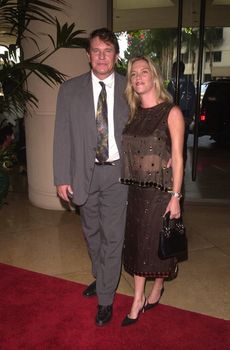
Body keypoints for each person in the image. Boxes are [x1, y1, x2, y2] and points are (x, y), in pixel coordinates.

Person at [53, 28, 129, 326]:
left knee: (113, 237)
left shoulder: (128, 89)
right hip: (84, 175)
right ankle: (101, 276)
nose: (101, 56)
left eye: (107, 51)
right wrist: (61, 177)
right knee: (91, 233)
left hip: (117, 175)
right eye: (96, 50)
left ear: (115, 56)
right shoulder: (69, 90)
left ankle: (106, 298)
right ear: (88, 55)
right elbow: (61, 136)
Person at [120, 56, 184, 326]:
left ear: (154, 76)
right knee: (138, 244)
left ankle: (149, 291)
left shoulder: (172, 112)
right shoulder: (134, 114)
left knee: (154, 244)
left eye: (144, 72)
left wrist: (176, 197)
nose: (138, 77)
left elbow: (179, 157)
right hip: (136, 190)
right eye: (133, 74)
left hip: (161, 191)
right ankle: (143, 294)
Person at [167, 61, 195, 164]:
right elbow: (193, 102)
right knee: (180, 144)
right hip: (180, 116)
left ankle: (177, 169)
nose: (172, 71)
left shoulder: (176, 83)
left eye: (173, 69)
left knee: (177, 144)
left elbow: (167, 101)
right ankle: (179, 169)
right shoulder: (186, 83)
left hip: (179, 116)